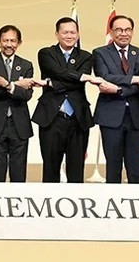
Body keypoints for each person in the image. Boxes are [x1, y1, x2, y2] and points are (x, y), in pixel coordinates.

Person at [31, 16, 99, 183]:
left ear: (78, 34)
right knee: (51, 167)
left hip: (78, 118)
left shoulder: (86, 56)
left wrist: (50, 83)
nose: (69, 36)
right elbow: (58, 72)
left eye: (73, 32)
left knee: (76, 169)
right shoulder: (46, 53)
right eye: (65, 32)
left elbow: (71, 82)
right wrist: (81, 77)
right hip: (52, 117)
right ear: (57, 34)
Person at [92, 15, 139, 184]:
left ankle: (136, 207)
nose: (123, 33)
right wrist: (135, 79)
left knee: (135, 169)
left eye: (127, 30)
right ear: (111, 32)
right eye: (119, 30)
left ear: (132, 32)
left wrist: (118, 89)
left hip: (136, 117)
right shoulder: (100, 53)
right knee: (113, 167)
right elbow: (105, 77)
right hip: (110, 116)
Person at [0, 25, 34, 182]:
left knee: (19, 173)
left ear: (19, 43)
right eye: (5, 40)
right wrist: (15, 86)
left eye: (13, 41)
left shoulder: (26, 65)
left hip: (19, 124)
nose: (9, 44)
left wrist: (6, 84)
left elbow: (26, 95)